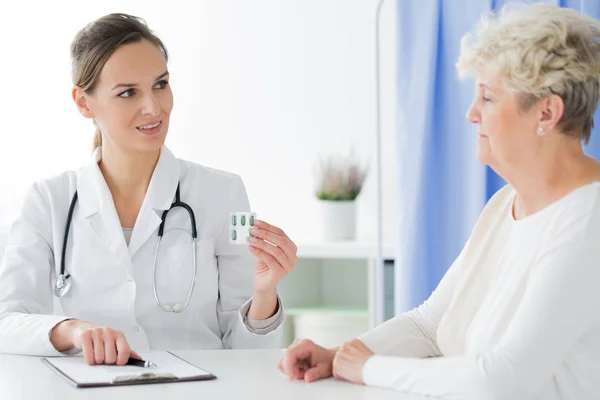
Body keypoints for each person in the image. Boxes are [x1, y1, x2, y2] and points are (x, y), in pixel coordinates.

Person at [279, 3, 600, 399]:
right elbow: (430, 325)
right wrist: (339, 356)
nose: (471, 114)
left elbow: (500, 379)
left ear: (547, 113)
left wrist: (368, 368)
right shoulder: (507, 205)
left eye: (487, 97)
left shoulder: (588, 219)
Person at [0, 13, 298, 366]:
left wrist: (264, 295)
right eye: (128, 92)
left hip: (199, 390)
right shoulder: (47, 202)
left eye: (160, 84)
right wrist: (72, 330)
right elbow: (7, 322)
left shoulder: (229, 193)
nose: (153, 108)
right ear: (83, 103)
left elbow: (250, 357)